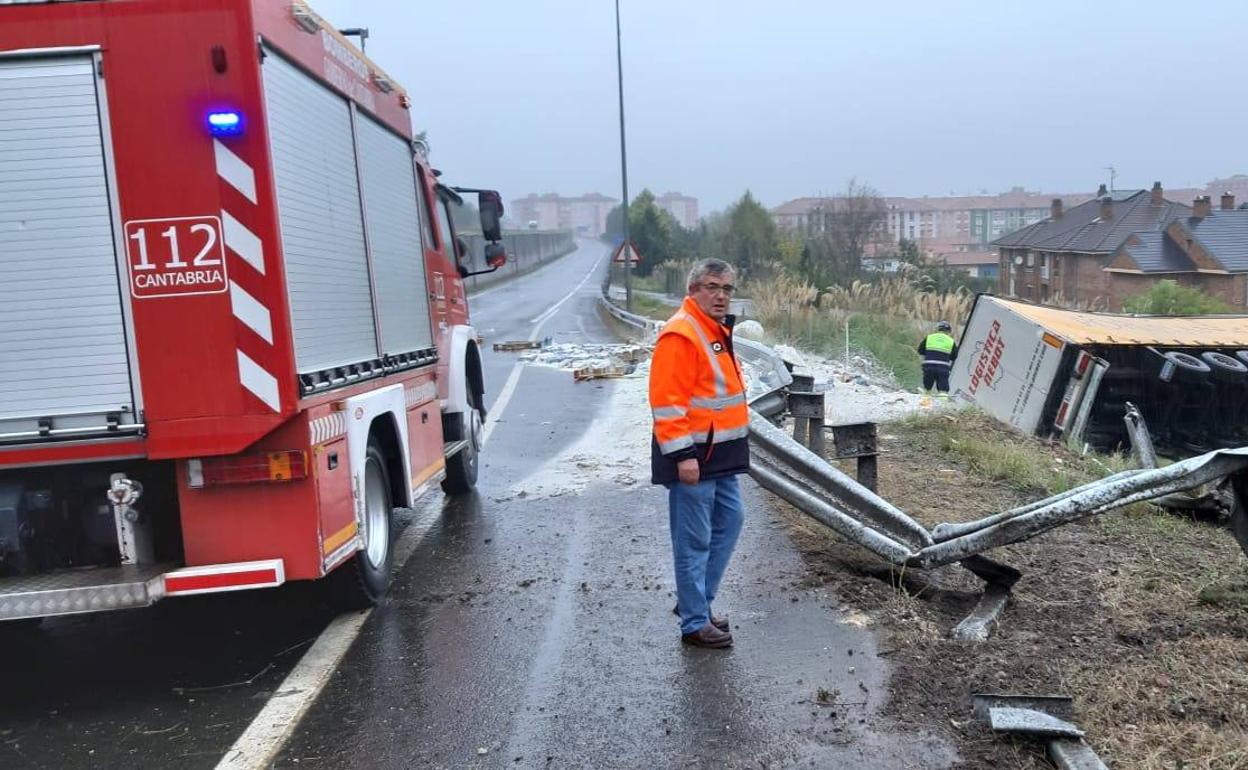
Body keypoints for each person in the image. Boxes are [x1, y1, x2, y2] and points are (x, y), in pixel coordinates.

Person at [649, 258, 750, 649]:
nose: (720, 295)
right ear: (693, 290)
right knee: (693, 540)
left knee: (732, 519)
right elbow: (666, 402)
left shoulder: (714, 330)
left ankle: (697, 602)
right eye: (712, 287)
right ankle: (693, 622)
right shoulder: (682, 333)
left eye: (726, 289)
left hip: (721, 455)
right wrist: (682, 456)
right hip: (694, 456)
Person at [918, 320, 957, 396]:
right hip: (943, 369)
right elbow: (954, 357)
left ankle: (925, 404)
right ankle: (942, 406)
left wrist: (930, 354)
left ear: (938, 329)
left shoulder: (929, 337)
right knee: (943, 391)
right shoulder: (951, 341)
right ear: (949, 331)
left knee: (927, 389)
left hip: (928, 367)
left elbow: (920, 351)